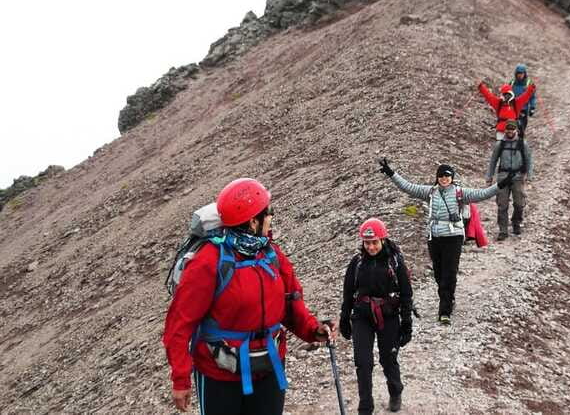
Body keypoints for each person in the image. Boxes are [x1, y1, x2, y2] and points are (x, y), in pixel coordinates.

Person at [163, 178, 336, 415]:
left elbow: (290, 301)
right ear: (253, 221)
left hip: (268, 367)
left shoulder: (271, 254)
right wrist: (180, 379)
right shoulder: (209, 261)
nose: (272, 218)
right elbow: (180, 323)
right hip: (219, 375)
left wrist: (312, 329)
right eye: (268, 213)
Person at [378, 159, 514, 324]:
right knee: (439, 273)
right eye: (441, 176)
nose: (444, 179)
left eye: (447, 176)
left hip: (454, 237)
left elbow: (481, 194)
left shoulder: (460, 193)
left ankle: (445, 312)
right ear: (437, 177)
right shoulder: (430, 192)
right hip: (434, 237)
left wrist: (501, 185)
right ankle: (448, 298)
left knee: (449, 274)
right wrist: (392, 173)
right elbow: (408, 187)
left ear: (452, 177)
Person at [339, 218, 413, 414]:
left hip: (388, 316)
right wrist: (344, 318)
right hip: (362, 317)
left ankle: (395, 391)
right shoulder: (357, 263)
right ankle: (365, 406)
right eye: (367, 242)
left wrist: (406, 323)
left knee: (388, 359)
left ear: (383, 239)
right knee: (363, 362)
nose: (371, 247)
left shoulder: (395, 262)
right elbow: (348, 292)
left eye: (374, 242)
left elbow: (406, 294)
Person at [486, 120, 533, 241]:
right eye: (508, 129)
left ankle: (516, 222)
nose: (510, 132)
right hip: (503, 177)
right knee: (502, 205)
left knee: (519, 203)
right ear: (505, 130)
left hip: (518, 177)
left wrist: (529, 175)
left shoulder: (523, 144)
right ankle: (503, 230)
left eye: (512, 129)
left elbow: (529, 160)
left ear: (516, 130)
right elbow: (493, 161)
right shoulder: (500, 145)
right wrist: (489, 177)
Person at [509, 64, 537, 137]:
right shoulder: (512, 83)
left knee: (522, 128)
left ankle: (521, 143)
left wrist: (532, 107)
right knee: (511, 127)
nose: (520, 75)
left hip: (524, 109)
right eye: (518, 73)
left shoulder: (529, 83)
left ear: (524, 74)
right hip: (513, 109)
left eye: (521, 73)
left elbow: (532, 97)